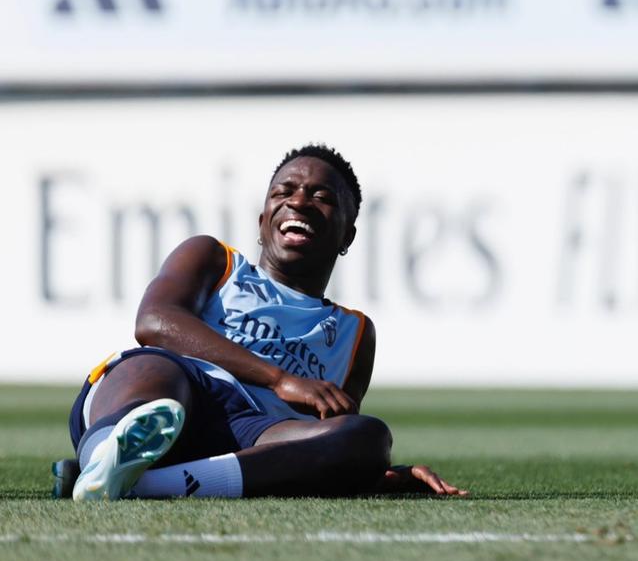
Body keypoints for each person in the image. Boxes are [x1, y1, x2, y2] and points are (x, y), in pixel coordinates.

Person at [57, 144, 466, 500]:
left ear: (348, 237)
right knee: (156, 370)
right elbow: (154, 321)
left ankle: (128, 481)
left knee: (368, 437)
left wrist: (375, 471)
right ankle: (106, 453)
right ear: (262, 220)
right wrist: (279, 379)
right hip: (174, 390)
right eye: (283, 192)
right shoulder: (216, 260)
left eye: (321, 196)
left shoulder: (355, 333)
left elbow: (320, 442)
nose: (299, 201)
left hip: (253, 433)